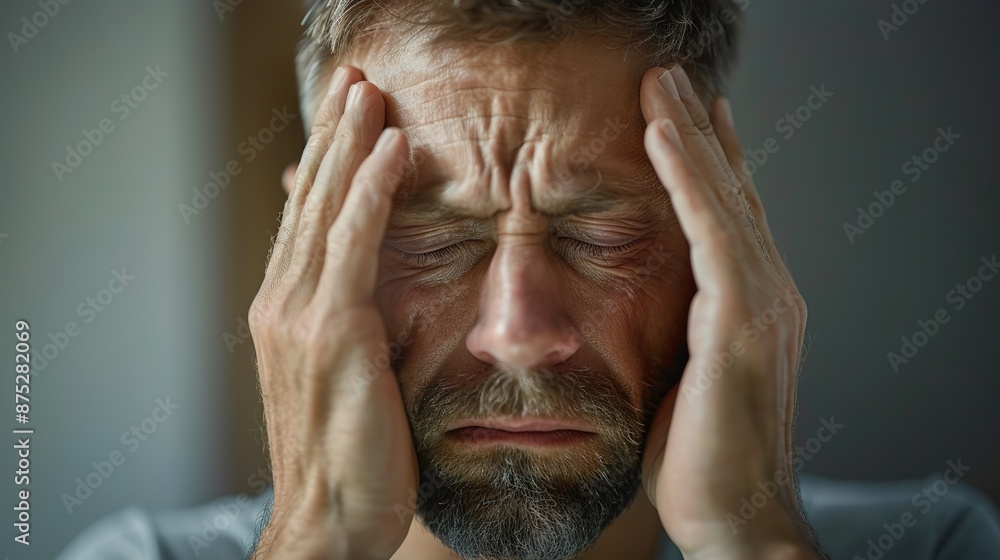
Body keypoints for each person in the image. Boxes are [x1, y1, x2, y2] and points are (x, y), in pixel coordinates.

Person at [58, 1, 1000, 559]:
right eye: (428, 236)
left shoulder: (933, 544)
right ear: (303, 246)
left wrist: (752, 544)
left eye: (601, 231)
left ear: (733, 229)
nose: (517, 331)